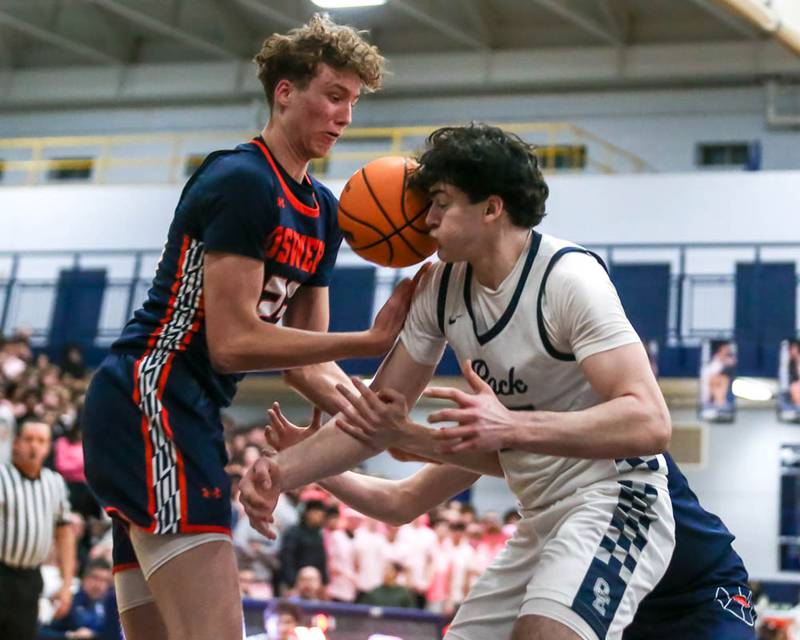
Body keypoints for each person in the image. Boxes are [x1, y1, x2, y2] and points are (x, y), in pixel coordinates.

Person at [241, 124, 757, 640]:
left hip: (624, 502)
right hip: (545, 519)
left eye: (441, 202)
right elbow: (376, 424)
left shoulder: (567, 279)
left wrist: (507, 427)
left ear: (492, 208)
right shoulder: (441, 295)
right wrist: (278, 473)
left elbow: (650, 421)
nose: (428, 219)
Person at [79, 14, 414, 640]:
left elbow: (306, 363)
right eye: (333, 96)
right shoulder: (241, 178)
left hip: (186, 407)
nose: (344, 116)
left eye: (353, 102)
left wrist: (381, 422)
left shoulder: (325, 212)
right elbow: (231, 343)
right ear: (285, 92)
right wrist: (370, 341)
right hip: (152, 392)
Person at [0, 419, 76, 640]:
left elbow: (64, 534)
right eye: (29, 439)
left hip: (30, 578)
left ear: (48, 447)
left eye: (41, 441)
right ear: (16, 443)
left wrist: (66, 584)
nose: (34, 446)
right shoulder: (2, 476)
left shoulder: (55, 483)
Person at [38, 558, 113, 640]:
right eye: (95, 578)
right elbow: (40, 633)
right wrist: (70, 635)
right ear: (84, 578)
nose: (99, 585)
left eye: (104, 580)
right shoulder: (69, 602)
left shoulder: (109, 606)